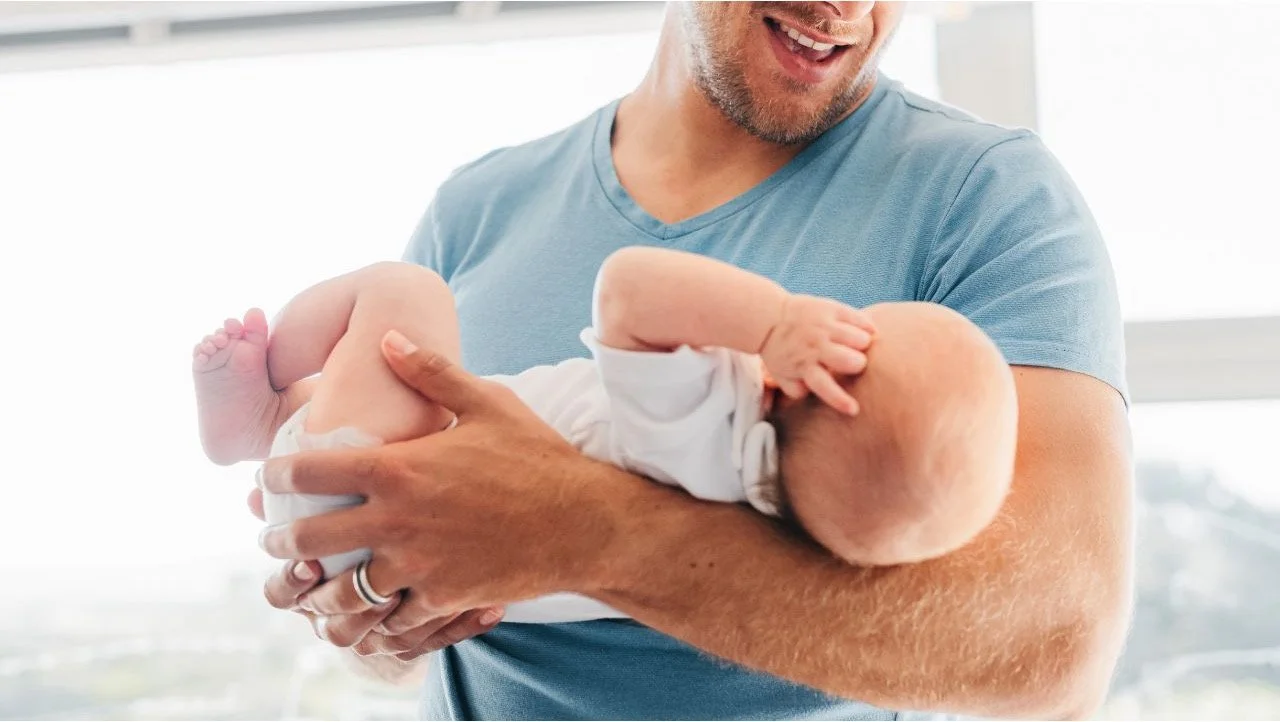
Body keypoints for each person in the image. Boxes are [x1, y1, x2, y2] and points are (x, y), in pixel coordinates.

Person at [249, 1, 1134, 719]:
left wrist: (583, 530)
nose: (847, 9)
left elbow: (1053, 651)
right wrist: (375, 618)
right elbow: (398, 635)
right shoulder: (477, 208)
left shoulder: (986, 197)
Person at [194, 246, 1018, 619]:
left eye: (856, 326)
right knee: (405, 382)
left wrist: (774, 321)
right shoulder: (761, 528)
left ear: (807, 384)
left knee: (402, 294)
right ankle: (275, 423)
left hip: (369, 497)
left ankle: (259, 410)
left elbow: (627, 287)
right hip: (394, 569)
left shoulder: (709, 418)